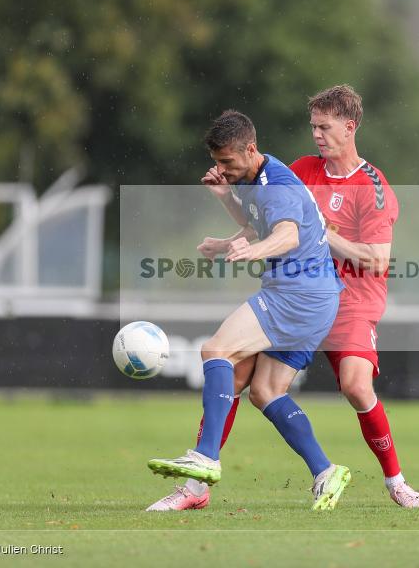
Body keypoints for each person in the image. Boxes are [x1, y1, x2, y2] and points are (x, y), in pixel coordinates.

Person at [148, 85, 419, 511]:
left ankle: (397, 482)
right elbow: (264, 223)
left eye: (324, 126)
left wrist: (320, 234)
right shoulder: (300, 169)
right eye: (313, 126)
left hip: (347, 298)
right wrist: (228, 229)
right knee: (252, 385)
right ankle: (199, 486)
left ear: (350, 127)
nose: (316, 134)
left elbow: (376, 259)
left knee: (355, 386)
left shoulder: (372, 186)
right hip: (308, 290)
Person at [146, 110, 351, 511]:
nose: (222, 169)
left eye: (227, 161)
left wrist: (251, 252)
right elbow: (258, 224)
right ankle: (326, 471)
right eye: (217, 162)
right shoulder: (258, 179)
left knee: (216, 350)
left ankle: (204, 461)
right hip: (319, 299)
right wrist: (227, 220)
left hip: (296, 295)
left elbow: (286, 235)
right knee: (266, 391)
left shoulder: (276, 186)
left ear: (250, 148)